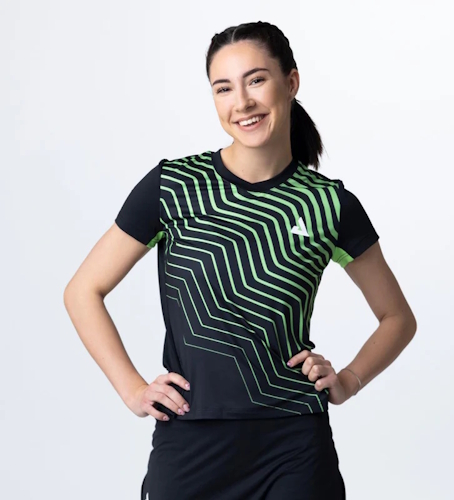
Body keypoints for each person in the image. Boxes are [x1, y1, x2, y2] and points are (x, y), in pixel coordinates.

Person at [63, 20, 417, 500]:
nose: (242, 102)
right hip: (190, 442)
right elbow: (83, 291)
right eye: (224, 88)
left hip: (294, 445)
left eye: (256, 80)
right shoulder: (174, 187)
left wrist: (350, 379)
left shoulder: (329, 204)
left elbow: (397, 317)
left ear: (290, 82)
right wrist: (132, 389)